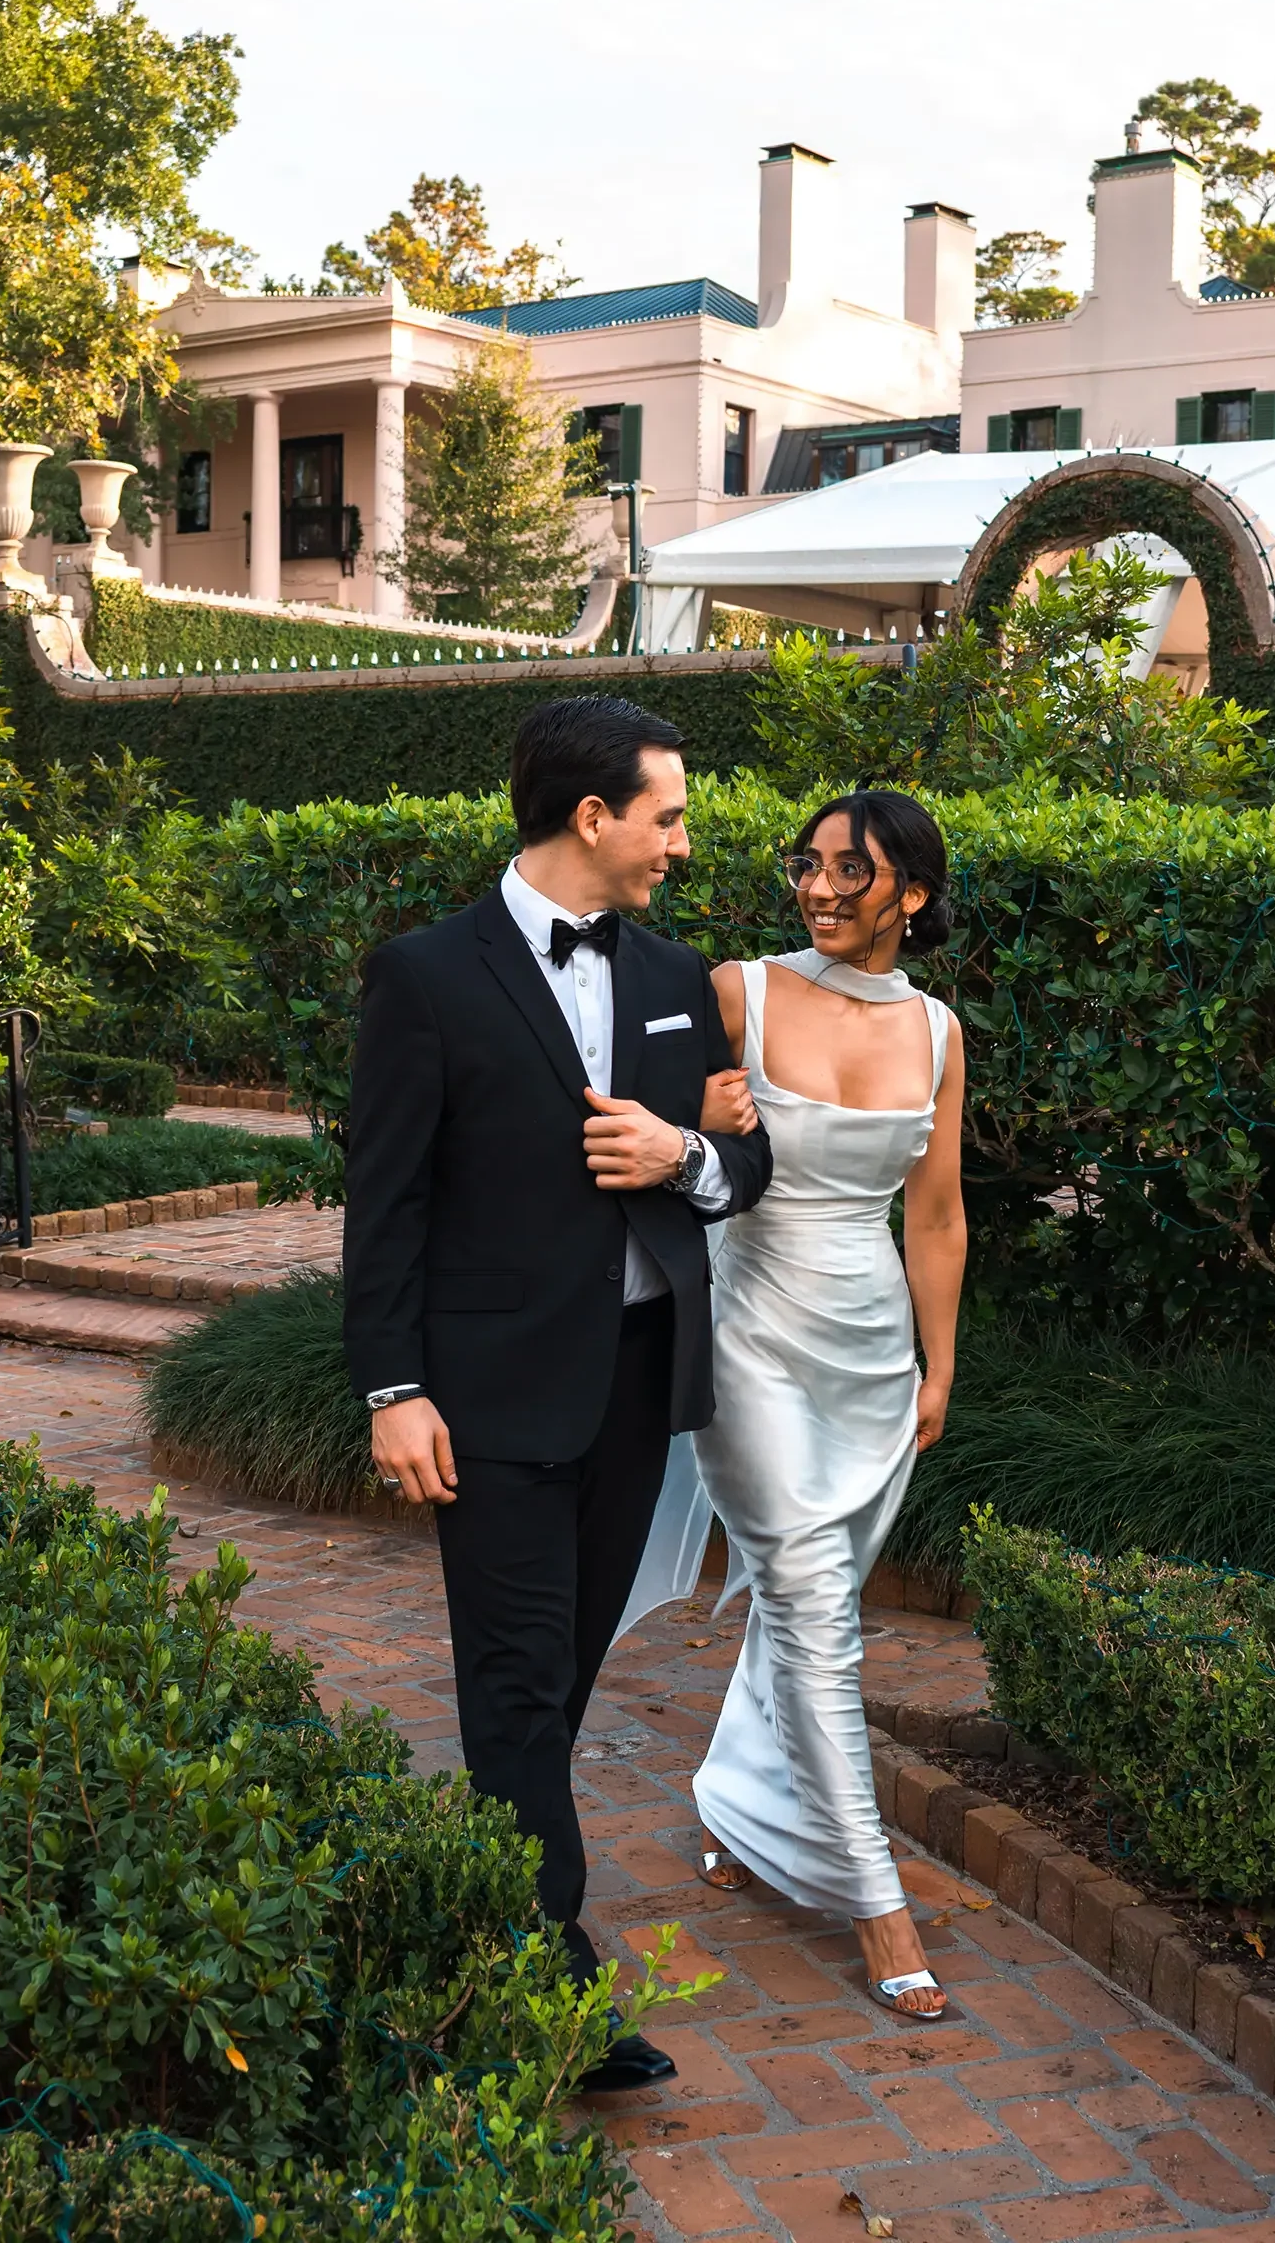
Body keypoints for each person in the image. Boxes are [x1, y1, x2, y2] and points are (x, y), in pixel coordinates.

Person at [341, 694, 773, 2092]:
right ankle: (552, 1994)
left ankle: (466, 1912)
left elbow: (740, 1168)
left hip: (639, 1390)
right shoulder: (425, 975)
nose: (683, 845)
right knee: (520, 1681)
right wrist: (394, 1386)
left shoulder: (673, 972)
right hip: (488, 1396)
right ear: (593, 818)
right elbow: (386, 1201)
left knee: (556, 1684)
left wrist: (681, 1157)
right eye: (670, 816)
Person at [690, 790, 967, 2022]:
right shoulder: (736, 992)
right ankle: (875, 1902)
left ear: (909, 892)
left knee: (813, 1601)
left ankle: (738, 1803)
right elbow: (647, 1147)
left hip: (873, 1356)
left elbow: (937, 1214)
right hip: (748, 1335)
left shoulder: (940, 1032)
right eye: (807, 865)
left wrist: (941, 1365)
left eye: (849, 873)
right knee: (808, 1598)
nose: (816, 889)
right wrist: (693, 1123)